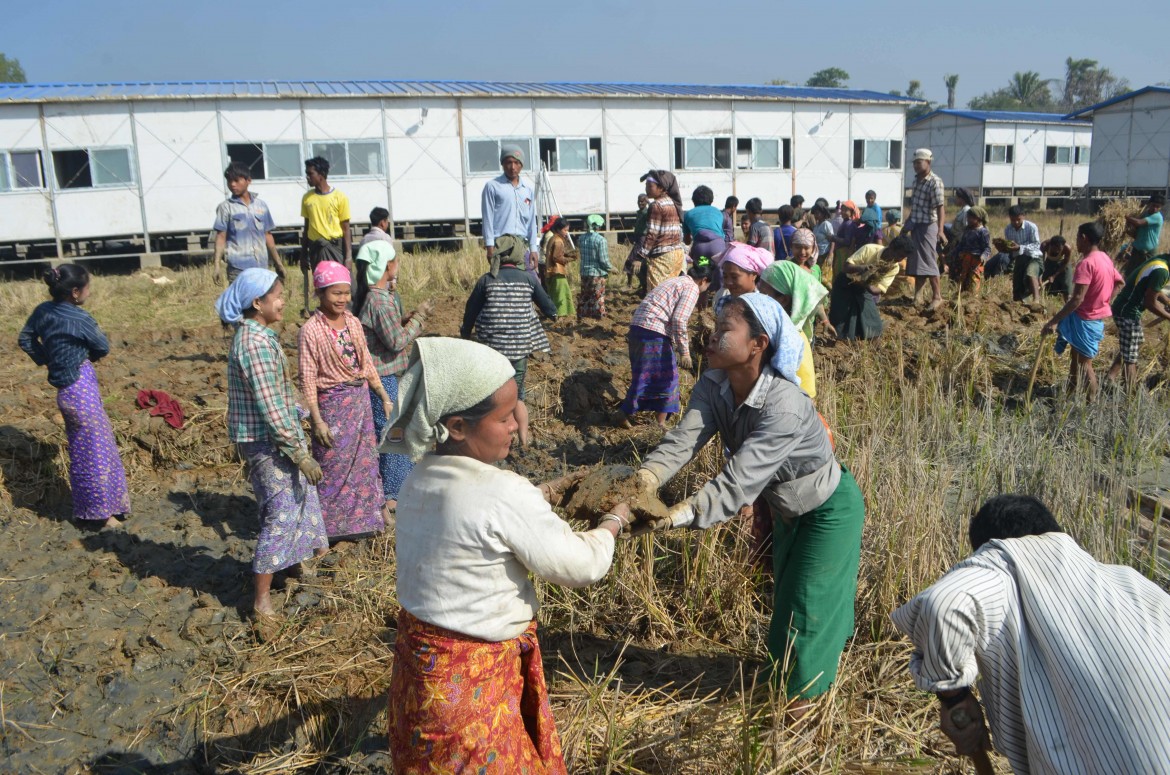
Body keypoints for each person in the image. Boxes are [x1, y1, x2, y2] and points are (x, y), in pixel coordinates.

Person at [386, 337, 625, 775]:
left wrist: (544, 494)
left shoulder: (417, 479)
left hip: (420, 682)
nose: (517, 423)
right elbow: (582, 564)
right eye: (503, 417)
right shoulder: (502, 492)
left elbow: (475, 519)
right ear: (457, 425)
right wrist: (613, 522)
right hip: (474, 692)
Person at [634, 293, 863, 714]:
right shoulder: (713, 385)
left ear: (758, 343)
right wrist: (642, 483)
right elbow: (682, 443)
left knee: (808, 608)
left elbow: (738, 483)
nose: (712, 334)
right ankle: (786, 684)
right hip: (786, 509)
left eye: (725, 330)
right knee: (787, 607)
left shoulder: (785, 405)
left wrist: (672, 517)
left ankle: (800, 710)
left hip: (828, 511)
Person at [891, 494, 1170, 775]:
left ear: (988, 548)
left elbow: (943, 604)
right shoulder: (1133, 582)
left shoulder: (1002, 566)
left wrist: (954, 699)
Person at [216, 269, 329, 619]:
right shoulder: (254, 345)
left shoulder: (259, 337)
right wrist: (300, 454)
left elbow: (277, 396)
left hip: (272, 437)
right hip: (270, 441)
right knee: (280, 513)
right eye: (277, 296)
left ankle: (292, 564)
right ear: (257, 303)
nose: (283, 302)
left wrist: (301, 412)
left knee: (297, 501)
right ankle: (261, 600)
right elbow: (271, 409)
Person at [18, 264, 129, 527]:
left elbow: (26, 339)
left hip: (65, 392)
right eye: (88, 287)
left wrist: (50, 360)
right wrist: (84, 357)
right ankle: (104, 515)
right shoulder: (80, 319)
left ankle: (91, 508)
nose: (90, 291)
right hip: (82, 388)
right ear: (76, 292)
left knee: (81, 451)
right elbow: (102, 346)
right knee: (97, 451)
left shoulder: (43, 311)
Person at [298, 261, 389, 540]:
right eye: (336, 293)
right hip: (332, 407)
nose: (342, 299)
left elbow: (367, 365)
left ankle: (368, 521)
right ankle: (330, 528)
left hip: (359, 404)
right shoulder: (310, 330)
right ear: (320, 292)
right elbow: (308, 378)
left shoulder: (352, 322)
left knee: (366, 464)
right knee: (332, 466)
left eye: (346, 293)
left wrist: (383, 396)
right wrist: (317, 419)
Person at [353, 222, 431, 522]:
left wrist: (405, 318)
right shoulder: (379, 300)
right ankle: (394, 496)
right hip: (384, 379)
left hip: (383, 377)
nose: (397, 266)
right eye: (395, 262)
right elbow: (396, 341)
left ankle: (395, 492)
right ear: (387, 266)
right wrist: (419, 320)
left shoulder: (373, 298)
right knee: (394, 437)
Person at [461, 242, 558, 448]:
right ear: (516, 256)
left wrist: (465, 334)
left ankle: (492, 442)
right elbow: (548, 307)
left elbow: (470, 312)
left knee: (492, 395)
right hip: (519, 350)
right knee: (518, 395)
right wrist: (552, 313)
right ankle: (523, 442)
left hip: (492, 351)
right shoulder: (528, 280)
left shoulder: (487, 280)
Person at [617, 261, 712, 429]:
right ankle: (652, 421)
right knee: (669, 378)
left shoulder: (675, 281)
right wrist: (685, 352)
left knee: (645, 374)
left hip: (638, 328)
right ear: (704, 280)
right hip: (654, 332)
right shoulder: (691, 288)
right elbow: (679, 319)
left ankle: (641, 415)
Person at [1041, 222, 1124, 399]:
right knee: (1075, 356)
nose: (1076, 242)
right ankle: (1071, 390)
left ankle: (1091, 401)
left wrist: (1053, 321)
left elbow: (1077, 298)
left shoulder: (1086, 264)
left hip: (1085, 318)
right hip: (1093, 317)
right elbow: (1119, 282)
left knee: (1085, 364)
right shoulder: (1104, 257)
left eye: (1078, 238)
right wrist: (1104, 300)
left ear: (1084, 238)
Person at [760, 259, 833, 398]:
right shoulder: (771, 330)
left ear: (784, 300)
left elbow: (806, 393)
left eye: (764, 293)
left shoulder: (793, 339)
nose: (759, 297)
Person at [212, 162, 286, 286]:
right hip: (238, 267)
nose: (232, 184)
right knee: (242, 304)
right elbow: (220, 237)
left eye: (236, 180)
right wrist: (216, 266)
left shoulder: (261, 205)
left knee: (261, 303)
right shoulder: (225, 207)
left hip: (261, 266)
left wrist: (278, 264)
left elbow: (268, 235)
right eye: (229, 181)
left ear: (248, 180)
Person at [829, 235, 914, 340]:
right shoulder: (869, 249)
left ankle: (863, 335)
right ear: (891, 247)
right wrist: (862, 268)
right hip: (845, 283)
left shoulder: (894, 267)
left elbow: (879, 289)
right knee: (840, 322)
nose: (899, 260)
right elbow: (846, 267)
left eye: (903, 257)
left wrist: (865, 282)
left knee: (874, 324)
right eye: (899, 255)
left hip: (863, 289)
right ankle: (841, 338)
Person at [1106, 251, 1170, 388]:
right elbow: (1150, 302)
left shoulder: (1161, 261)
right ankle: (1130, 395)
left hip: (1127, 308)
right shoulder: (1162, 271)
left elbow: (1154, 289)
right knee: (1131, 357)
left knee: (1134, 343)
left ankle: (1110, 377)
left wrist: (1168, 302)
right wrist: (1168, 316)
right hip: (1127, 312)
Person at [300, 157, 351, 316]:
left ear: (321, 174)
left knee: (338, 284)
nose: (307, 177)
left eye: (310, 173)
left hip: (334, 247)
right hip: (315, 248)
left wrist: (348, 256)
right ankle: (325, 317)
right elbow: (306, 227)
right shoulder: (307, 198)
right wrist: (303, 254)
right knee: (322, 285)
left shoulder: (339, 197)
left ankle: (343, 317)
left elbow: (346, 228)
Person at [481, 144, 540, 279]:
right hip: (501, 246)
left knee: (533, 283)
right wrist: (490, 247)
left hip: (521, 245)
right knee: (502, 284)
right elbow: (487, 219)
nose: (512, 167)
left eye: (516, 163)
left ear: (521, 165)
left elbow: (531, 222)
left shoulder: (527, 191)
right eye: (509, 162)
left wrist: (533, 249)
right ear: (502, 164)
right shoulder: (492, 187)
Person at [904, 148, 947, 311]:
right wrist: (907, 224)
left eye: (919, 162)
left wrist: (940, 230)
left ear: (928, 162)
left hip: (929, 226)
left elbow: (940, 208)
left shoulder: (935, 182)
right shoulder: (916, 181)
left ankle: (937, 296)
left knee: (928, 260)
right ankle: (918, 296)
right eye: (914, 163)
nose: (916, 165)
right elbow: (915, 207)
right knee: (917, 262)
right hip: (916, 225)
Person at [637, 170, 687, 290]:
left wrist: (640, 257)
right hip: (677, 255)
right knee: (671, 293)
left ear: (661, 187)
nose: (646, 189)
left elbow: (652, 234)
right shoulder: (673, 203)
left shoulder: (656, 205)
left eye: (650, 186)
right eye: (646, 186)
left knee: (657, 294)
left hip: (662, 257)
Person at [715, 242, 773, 314]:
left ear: (753, 275)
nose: (728, 282)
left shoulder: (764, 306)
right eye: (725, 276)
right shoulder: (723, 303)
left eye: (734, 277)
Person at [1004, 206, 1044, 306]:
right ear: (1010, 218)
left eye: (1018, 219)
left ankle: (1036, 301)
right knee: (1017, 283)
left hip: (1033, 257)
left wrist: (1020, 247)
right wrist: (1005, 247)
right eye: (1013, 220)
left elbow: (1036, 244)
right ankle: (1018, 304)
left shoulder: (1031, 227)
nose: (1016, 222)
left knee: (1030, 273)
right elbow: (1010, 246)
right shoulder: (1008, 229)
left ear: (1023, 216)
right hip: (1020, 258)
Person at [948, 206, 991, 293]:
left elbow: (987, 248)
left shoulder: (983, 232)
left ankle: (973, 298)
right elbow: (961, 244)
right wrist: (953, 253)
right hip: (964, 259)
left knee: (973, 280)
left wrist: (983, 256)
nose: (968, 219)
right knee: (962, 279)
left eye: (970, 217)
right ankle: (963, 295)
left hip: (976, 260)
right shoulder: (967, 230)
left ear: (978, 218)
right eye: (968, 217)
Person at [577, 214, 612, 319]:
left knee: (585, 295)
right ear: (597, 226)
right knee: (598, 297)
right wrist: (611, 268)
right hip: (597, 273)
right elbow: (603, 260)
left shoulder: (581, 238)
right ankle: (600, 316)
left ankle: (583, 316)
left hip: (584, 272)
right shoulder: (601, 240)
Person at [684, 185, 728, 266]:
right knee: (719, 275)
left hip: (700, 249)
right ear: (711, 199)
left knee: (701, 275)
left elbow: (687, 241)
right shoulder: (718, 212)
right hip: (717, 248)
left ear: (693, 200)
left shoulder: (688, 214)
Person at [543, 217, 577, 317]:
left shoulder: (553, 238)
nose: (566, 232)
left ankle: (555, 314)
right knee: (561, 296)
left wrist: (567, 255)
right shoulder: (558, 241)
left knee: (554, 294)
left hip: (550, 271)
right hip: (557, 272)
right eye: (565, 230)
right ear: (558, 229)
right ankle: (561, 315)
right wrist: (570, 259)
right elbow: (557, 257)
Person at [1124, 192, 1165, 263]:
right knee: (1131, 273)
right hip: (1137, 249)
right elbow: (1137, 230)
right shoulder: (1145, 213)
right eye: (1153, 205)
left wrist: (1126, 217)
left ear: (1161, 207)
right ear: (1149, 204)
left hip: (1148, 252)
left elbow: (1138, 222)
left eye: (1158, 207)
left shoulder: (1157, 217)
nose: (1155, 209)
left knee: (1145, 272)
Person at [828, 200, 861, 279]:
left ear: (851, 212)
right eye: (842, 210)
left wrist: (834, 238)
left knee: (841, 275)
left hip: (844, 253)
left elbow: (847, 242)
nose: (842, 212)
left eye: (845, 210)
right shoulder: (845, 222)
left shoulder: (849, 224)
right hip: (840, 253)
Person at [624, 193, 650, 291]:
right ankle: (642, 284)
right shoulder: (639, 212)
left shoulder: (647, 212)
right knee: (641, 265)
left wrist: (649, 202)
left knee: (631, 261)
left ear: (646, 201)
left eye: (643, 201)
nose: (640, 203)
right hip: (638, 238)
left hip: (642, 240)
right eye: (639, 201)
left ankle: (630, 285)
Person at [1039, 235, 1073, 299]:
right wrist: (1040, 276)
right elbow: (1041, 262)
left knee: (1066, 285)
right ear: (1050, 245)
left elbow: (1065, 263)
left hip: (1063, 264)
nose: (1057, 251)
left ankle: (1067, 302)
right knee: (1047, 285)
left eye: (1059, 249)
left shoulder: (1067, 248)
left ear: (1063, 247)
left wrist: (1054, 276)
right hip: (1049, 262)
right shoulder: (1044, 245)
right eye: (1054, 248)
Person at [809, 204, 836, 279]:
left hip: (825, 253)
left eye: (817, 213)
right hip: (817, 254)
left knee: (825, 277)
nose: (815, 216)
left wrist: (830, 254)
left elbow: (832, 240)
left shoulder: (827, 224)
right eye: (815, 214)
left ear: (823, 214)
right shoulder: (816, 226)